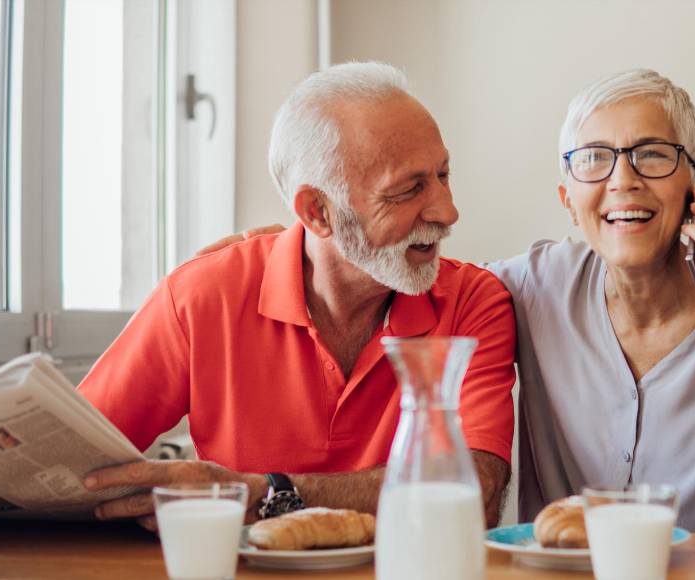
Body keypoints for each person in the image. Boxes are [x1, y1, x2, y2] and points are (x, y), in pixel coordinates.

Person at [203, 68, 695, 533]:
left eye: (654, 156)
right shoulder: (526, 288)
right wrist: (299, 242)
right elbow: (403, 258)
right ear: (567, 202)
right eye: (594, 160)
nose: (623, 180)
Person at [77, 62, 517, 530]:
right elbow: (69, 469)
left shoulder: (474, 301)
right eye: (408, 189)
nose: (448, 211)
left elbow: (472, 492)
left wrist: (271, 493)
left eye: (443, 175)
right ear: (318, 211)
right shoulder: (203, 295)